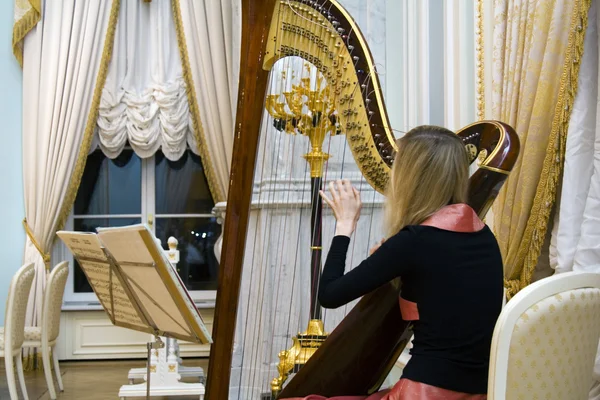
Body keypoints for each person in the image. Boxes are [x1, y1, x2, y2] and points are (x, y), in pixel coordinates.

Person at [288, 126, 504, 400]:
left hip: (425, 393)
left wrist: (344, 225)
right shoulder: (485, 236)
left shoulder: (412, 242)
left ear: (408, 179)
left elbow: (329, 294)